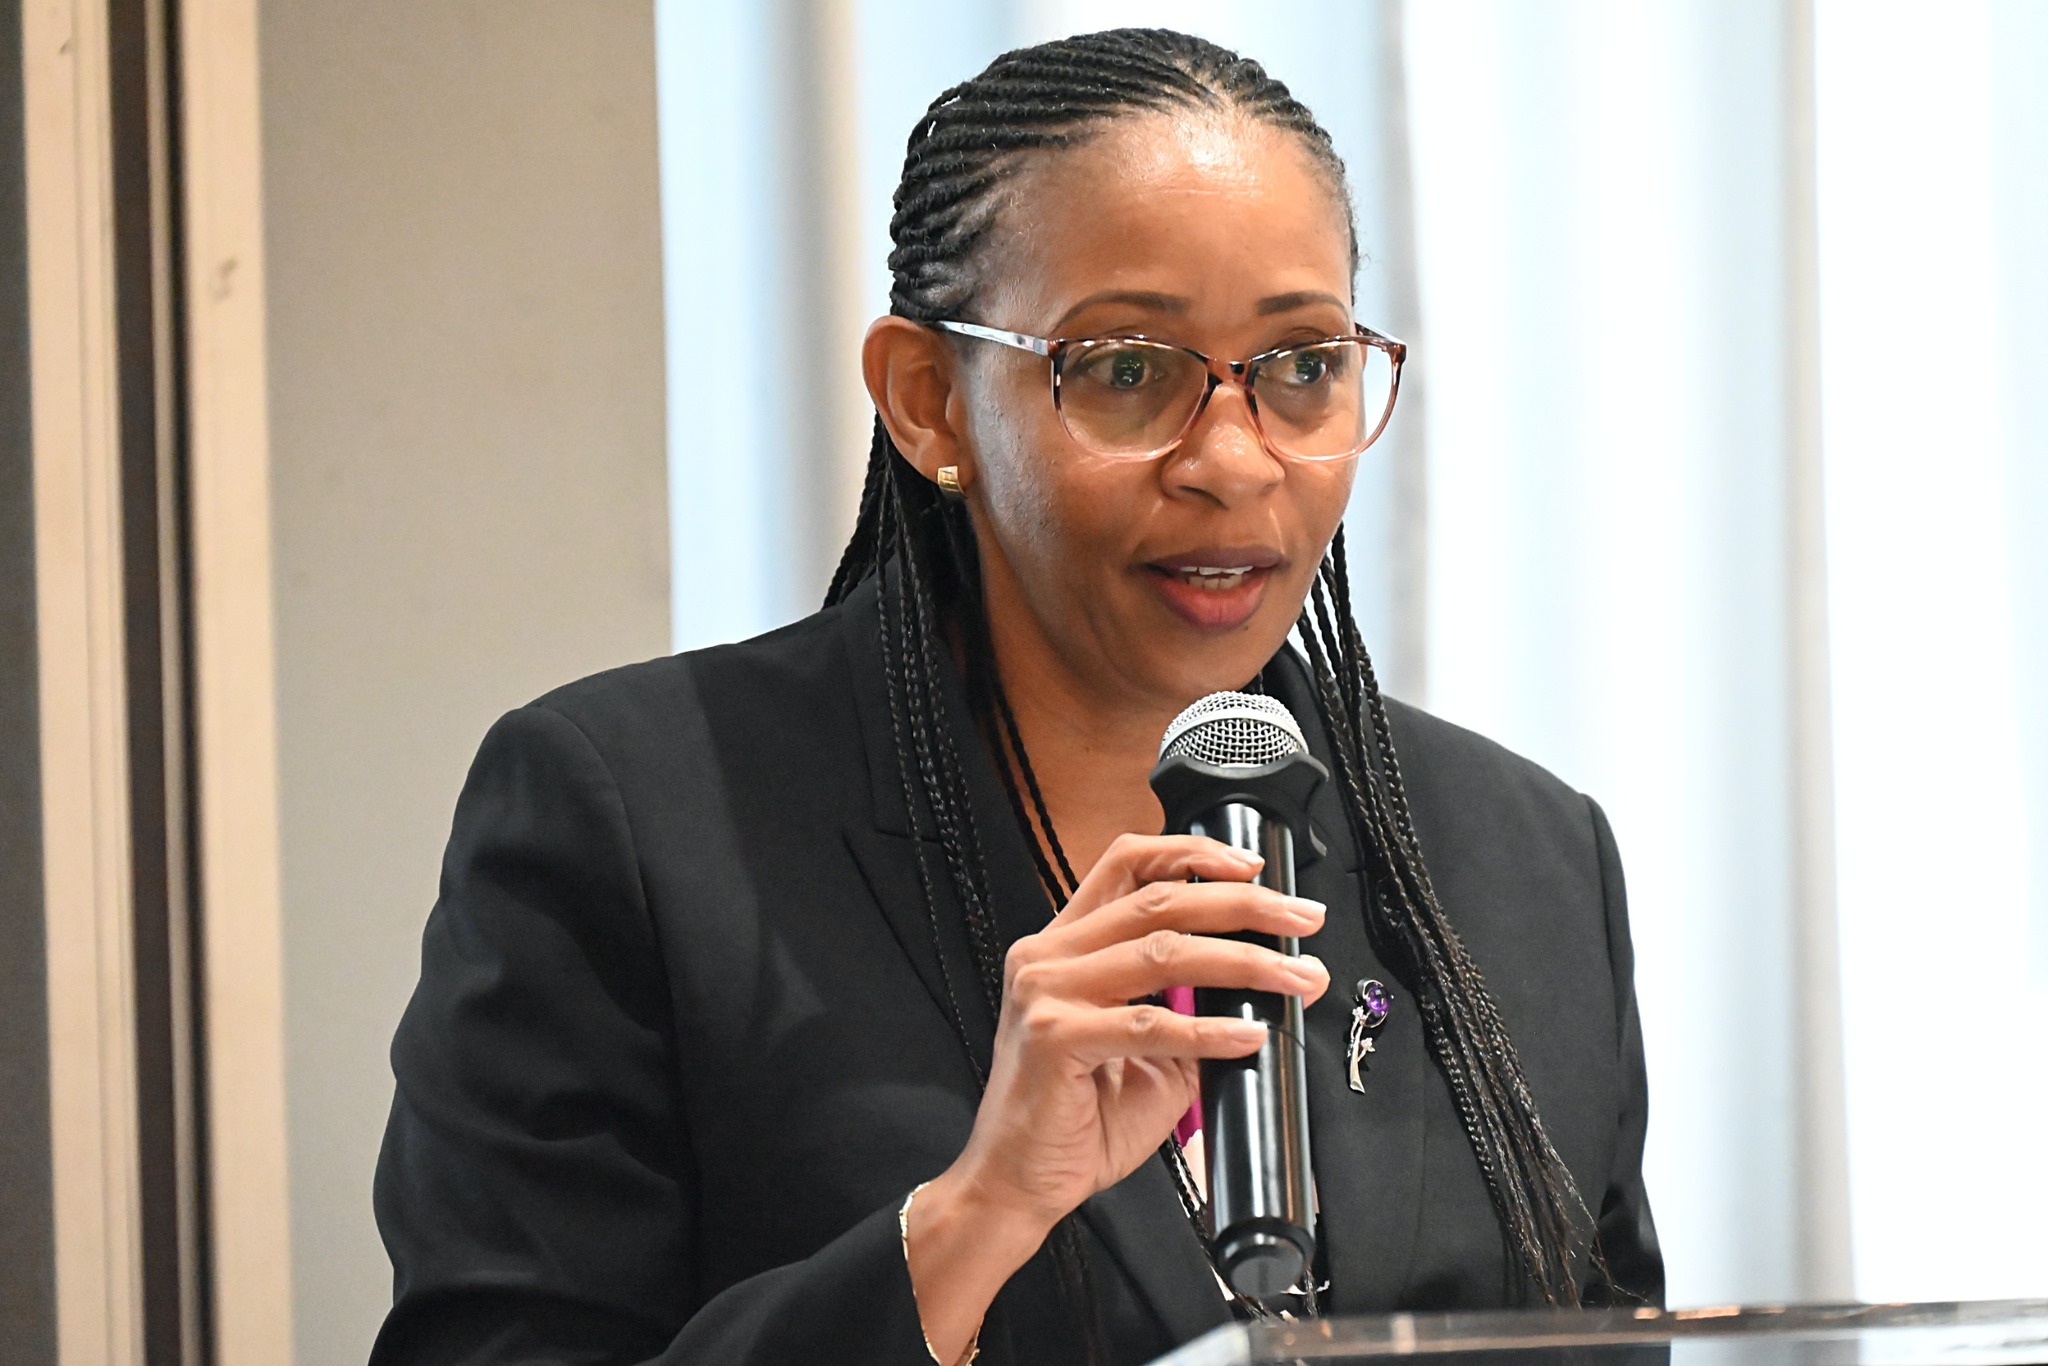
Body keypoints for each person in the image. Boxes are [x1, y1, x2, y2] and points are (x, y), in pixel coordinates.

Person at [370, 27, 1661, 1366]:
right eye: (1127, 370)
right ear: (929, 400)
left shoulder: (1524, 858)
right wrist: (974, 1217)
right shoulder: (635, 824)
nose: (1234, 461)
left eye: (1301, 366)